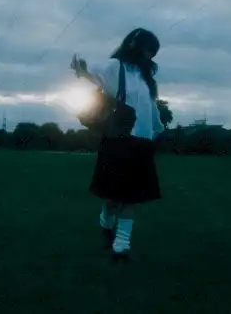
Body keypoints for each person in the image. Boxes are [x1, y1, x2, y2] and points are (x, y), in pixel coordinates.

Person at [70, 28, 164, 262]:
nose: (150, 55)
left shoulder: (146, 77)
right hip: (118, 139)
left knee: (132, 197)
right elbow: (94, 74)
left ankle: (121, 247)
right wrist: (81, 69)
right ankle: (106, 224)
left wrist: (157, 130)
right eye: (148, 49)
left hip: (142, 142)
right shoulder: (116, 67)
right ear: (134, 44)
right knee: (113, 197)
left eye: (153, 52)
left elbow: (151, 107)